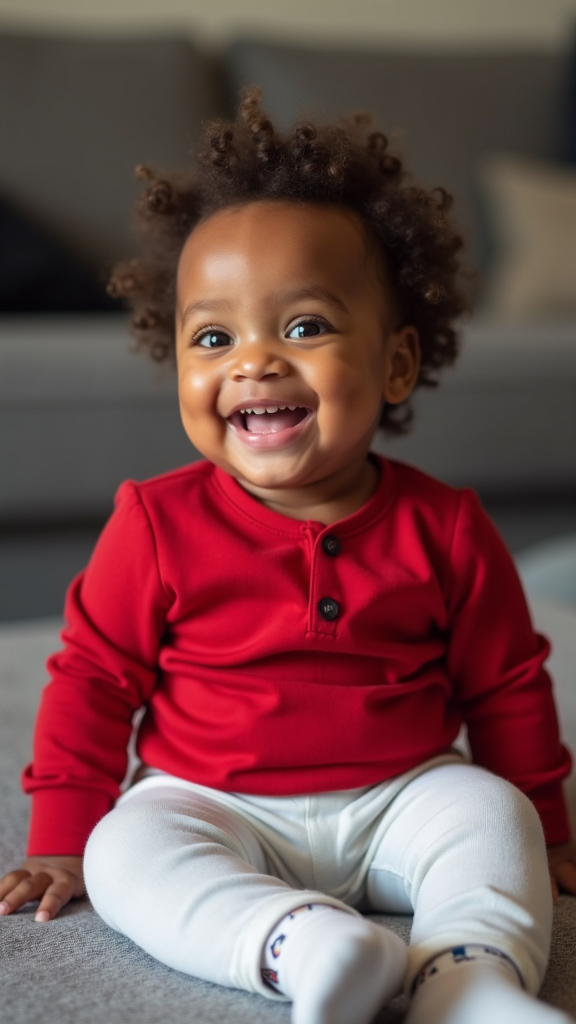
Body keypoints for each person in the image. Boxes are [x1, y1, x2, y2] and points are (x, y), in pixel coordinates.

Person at [1, 88, 575, 1024]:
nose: (254, 362)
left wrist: (545, 828)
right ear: (176, 360)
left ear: (394, 365)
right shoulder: (153, 522)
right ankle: (305, 945)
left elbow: (507, 685)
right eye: (214, 337)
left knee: (491, 815)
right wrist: (64, 841)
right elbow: (94, 680)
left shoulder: (448, 526)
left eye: (303, 327)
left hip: (404, 792)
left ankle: (466, 979)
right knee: (124, 851)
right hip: (212, 800)